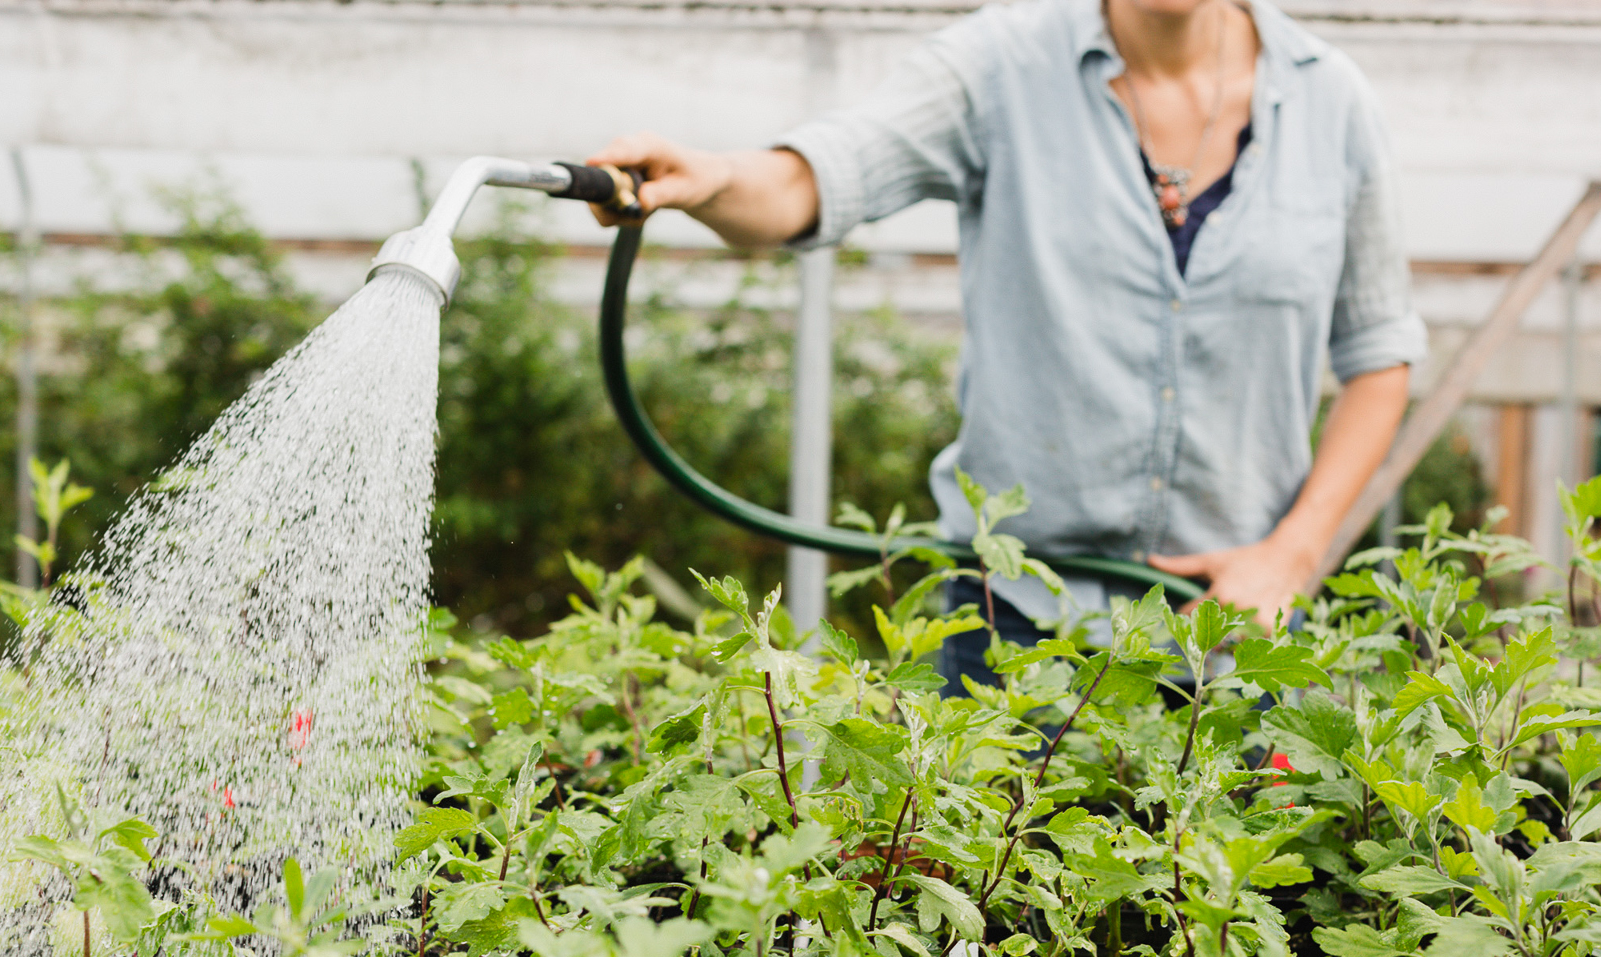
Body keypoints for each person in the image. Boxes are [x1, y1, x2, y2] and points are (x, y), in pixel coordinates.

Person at [586, 0, 1422, 687]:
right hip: (1014, 623)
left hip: (1234, 630)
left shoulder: (1330, 103)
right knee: (999, 890)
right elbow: (820, 177)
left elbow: (1379, 357)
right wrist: (718, 179)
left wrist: (1293, 553)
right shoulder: (1000, 67)